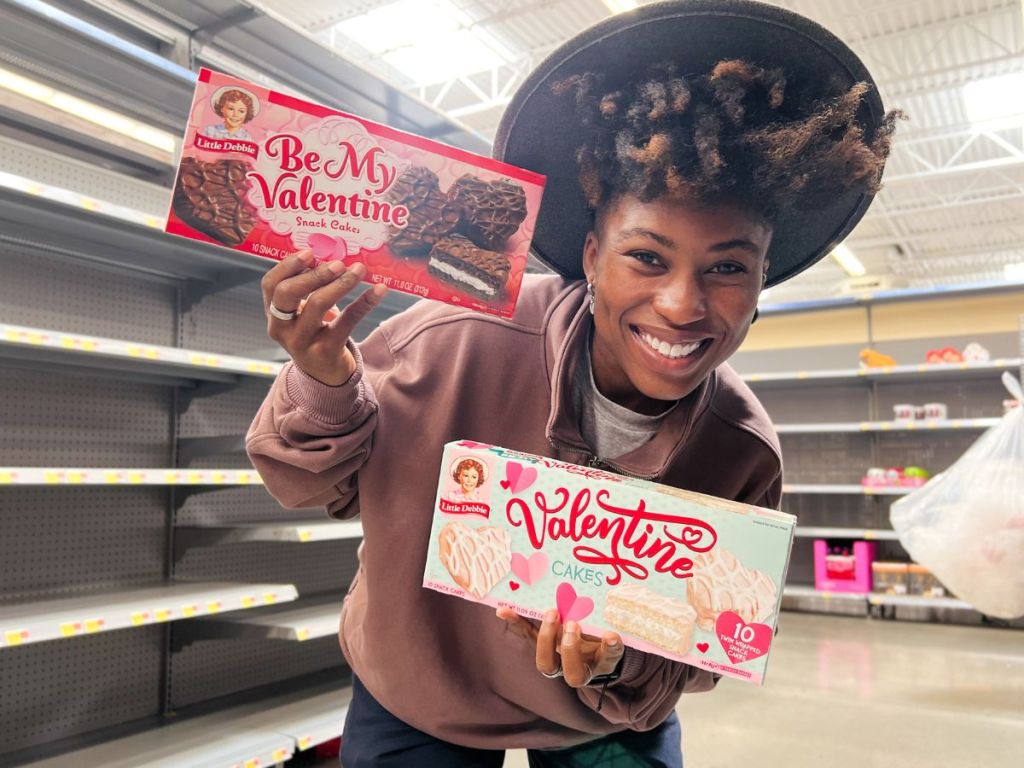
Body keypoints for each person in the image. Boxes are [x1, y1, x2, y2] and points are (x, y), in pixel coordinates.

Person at [246, 2, 900, 765]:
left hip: (606, 719)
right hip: (419, 688)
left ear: (762, 284)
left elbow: (697, 652)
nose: (683, 305)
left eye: (727, 268)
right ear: (591, 256)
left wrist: (619, 662)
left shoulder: (742, 452)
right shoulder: (453, 343)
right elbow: (306, 482)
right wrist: (325, 379)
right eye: (646, 258)